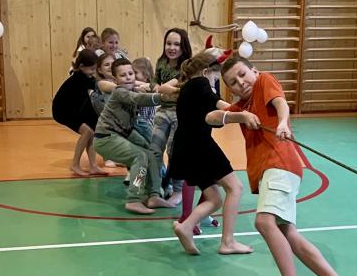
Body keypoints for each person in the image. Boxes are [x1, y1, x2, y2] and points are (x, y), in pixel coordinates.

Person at [222, 55, 355, 276]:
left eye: (242, 74)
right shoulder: (241, 108)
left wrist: (283, 122)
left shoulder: (264, 81)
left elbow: (280, 103)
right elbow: (212, 117)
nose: (240, 82)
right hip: (274, 170)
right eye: (233, 82)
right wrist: (240, 116)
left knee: (264, 222)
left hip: (280, 163)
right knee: (287, 233)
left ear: (254, 71)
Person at [169, 50, 253, 256]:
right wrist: (245, 114)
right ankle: (228, 242)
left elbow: (212, 117)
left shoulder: (187, 89)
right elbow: (218, 104)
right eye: (216, 77)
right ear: (206, 72)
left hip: (185, 149)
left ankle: (186, 226)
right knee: (235, 187)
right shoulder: (201, 84)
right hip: (200, 147)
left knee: (214, 199)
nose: (215, 83)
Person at [93, 59, 178, 214]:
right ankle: (134, 199)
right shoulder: (119, 92)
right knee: (140, 157)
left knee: (151, 154)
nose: (128, 77)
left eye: (130, 73)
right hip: (106, 137)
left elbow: (146, 90)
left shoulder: (134, 89)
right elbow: (138, 99)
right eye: (123, 75)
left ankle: (154, 195)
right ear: (115, 80)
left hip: (122, 133)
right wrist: (162, 97)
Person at [151, 28, 193, 203]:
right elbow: (155, 81)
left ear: (184, 47)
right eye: (168, 43)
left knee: (174, 151)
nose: (172, 48)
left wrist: (164, 89)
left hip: (179, 113)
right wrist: (155, 86)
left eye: (177, 44)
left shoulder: (187, 66)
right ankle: (157, 186)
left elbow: (176, 88)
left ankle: (178, 190)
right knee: (154, 149)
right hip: (163, 111)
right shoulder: (161, 62)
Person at [51, 49, 106, 177]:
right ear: (81, 67)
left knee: (92, 132)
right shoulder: (79, 79)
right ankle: (75, 164)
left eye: (95, 69)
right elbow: (97, 86)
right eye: (91, 69)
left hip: (74, 109)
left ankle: (93, 166)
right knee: (87, 132)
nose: (93, 72)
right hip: (62, 110)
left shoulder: (86, 77)